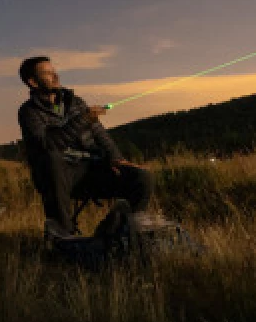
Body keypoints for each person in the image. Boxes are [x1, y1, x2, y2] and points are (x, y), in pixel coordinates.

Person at [17, 56, 156, 238]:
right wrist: (83, 119)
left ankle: (120, 230)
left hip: (92, 169)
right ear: (33, 82)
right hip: (60, 176)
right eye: (47, 73)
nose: (55, 76)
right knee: (52, 158)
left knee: (142, 177)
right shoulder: (29, 112)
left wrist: (116, 158)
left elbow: (99, 133)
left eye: (54, 71)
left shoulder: (75, 102)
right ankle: (64, 235)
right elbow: (48, 145)